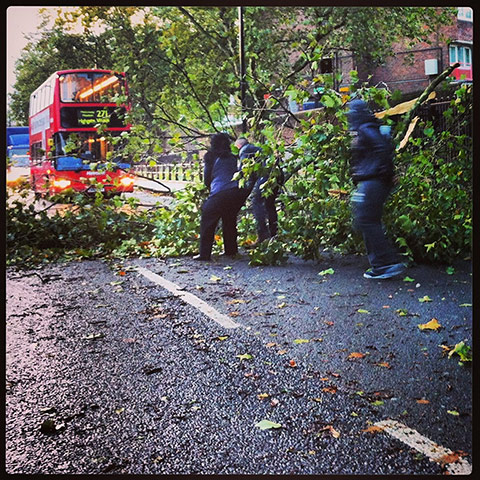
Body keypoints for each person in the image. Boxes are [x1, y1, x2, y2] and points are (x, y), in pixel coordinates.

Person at [347, 99, 407, 279]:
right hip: (372, 180)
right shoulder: (366, 127)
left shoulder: (365, 128)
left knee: (366, 220)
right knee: (366, 220)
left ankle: (385, 263)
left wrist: (384, 173)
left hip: (373, 181)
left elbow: (382, 149)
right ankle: (381, 264)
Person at [194, 133, 250, 261]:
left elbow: (206, 180)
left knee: (208, 220)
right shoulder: (232, 157)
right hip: (236, 192)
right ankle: (231, 250)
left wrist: (211, 189)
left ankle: (204, 254)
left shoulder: (210, 157)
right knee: (229, 219)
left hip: (220, 192)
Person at [235, 137, 279, 245]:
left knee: (256, 202)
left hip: (266, 176)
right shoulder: (257, 149)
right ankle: (274, 234)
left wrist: (242, 191)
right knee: (269, 204)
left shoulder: (244, 150)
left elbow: (244, 171)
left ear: (239, 145)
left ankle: (262, 234)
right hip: (276, 175)